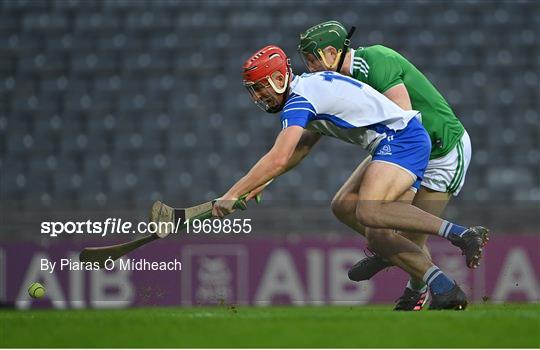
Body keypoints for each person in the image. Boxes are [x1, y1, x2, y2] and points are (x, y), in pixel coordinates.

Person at [212, 45, 488, 310]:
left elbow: (280, 155)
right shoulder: (308, 88)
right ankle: (443, 287)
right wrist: (262, 180)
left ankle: (462, 234)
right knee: (345, 207)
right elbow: (301, 147)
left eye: (261, 87)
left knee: (370, 210)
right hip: (393, 141)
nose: (259, 96)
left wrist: (232, 193)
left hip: (402, 139)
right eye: (254, 90)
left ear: (279, 78)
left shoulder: (300, 100)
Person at [296, 20, 480, 310]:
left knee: (395, 232)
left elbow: (406, 120)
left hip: (441, 153)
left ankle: (416, 288)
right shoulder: (339, 82)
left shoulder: (376, 61)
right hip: (397, 147)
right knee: (344, 205)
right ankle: (390, 254)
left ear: (331, 53)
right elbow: (312, 133)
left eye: (312, 58)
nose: (309, 67)